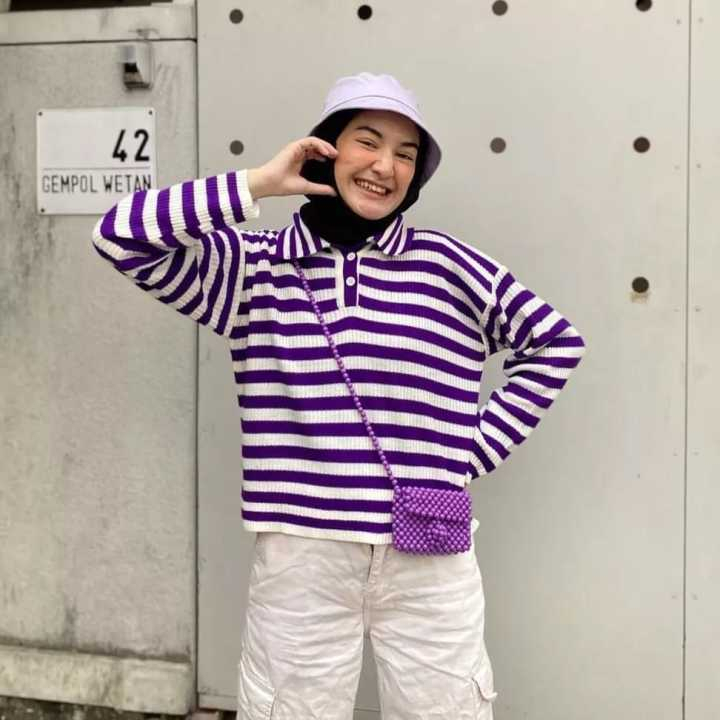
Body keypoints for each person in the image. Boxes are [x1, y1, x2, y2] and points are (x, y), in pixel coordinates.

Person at [92, 72, 586, 720]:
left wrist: (469, 452)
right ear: (325, 148)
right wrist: (258, 183)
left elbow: (555, 343)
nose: (386, 166)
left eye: (406, 154)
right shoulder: (253, 268)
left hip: (430, 554)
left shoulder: (448, 265)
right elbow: (119, 236)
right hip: (302, 556)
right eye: (368, 142)